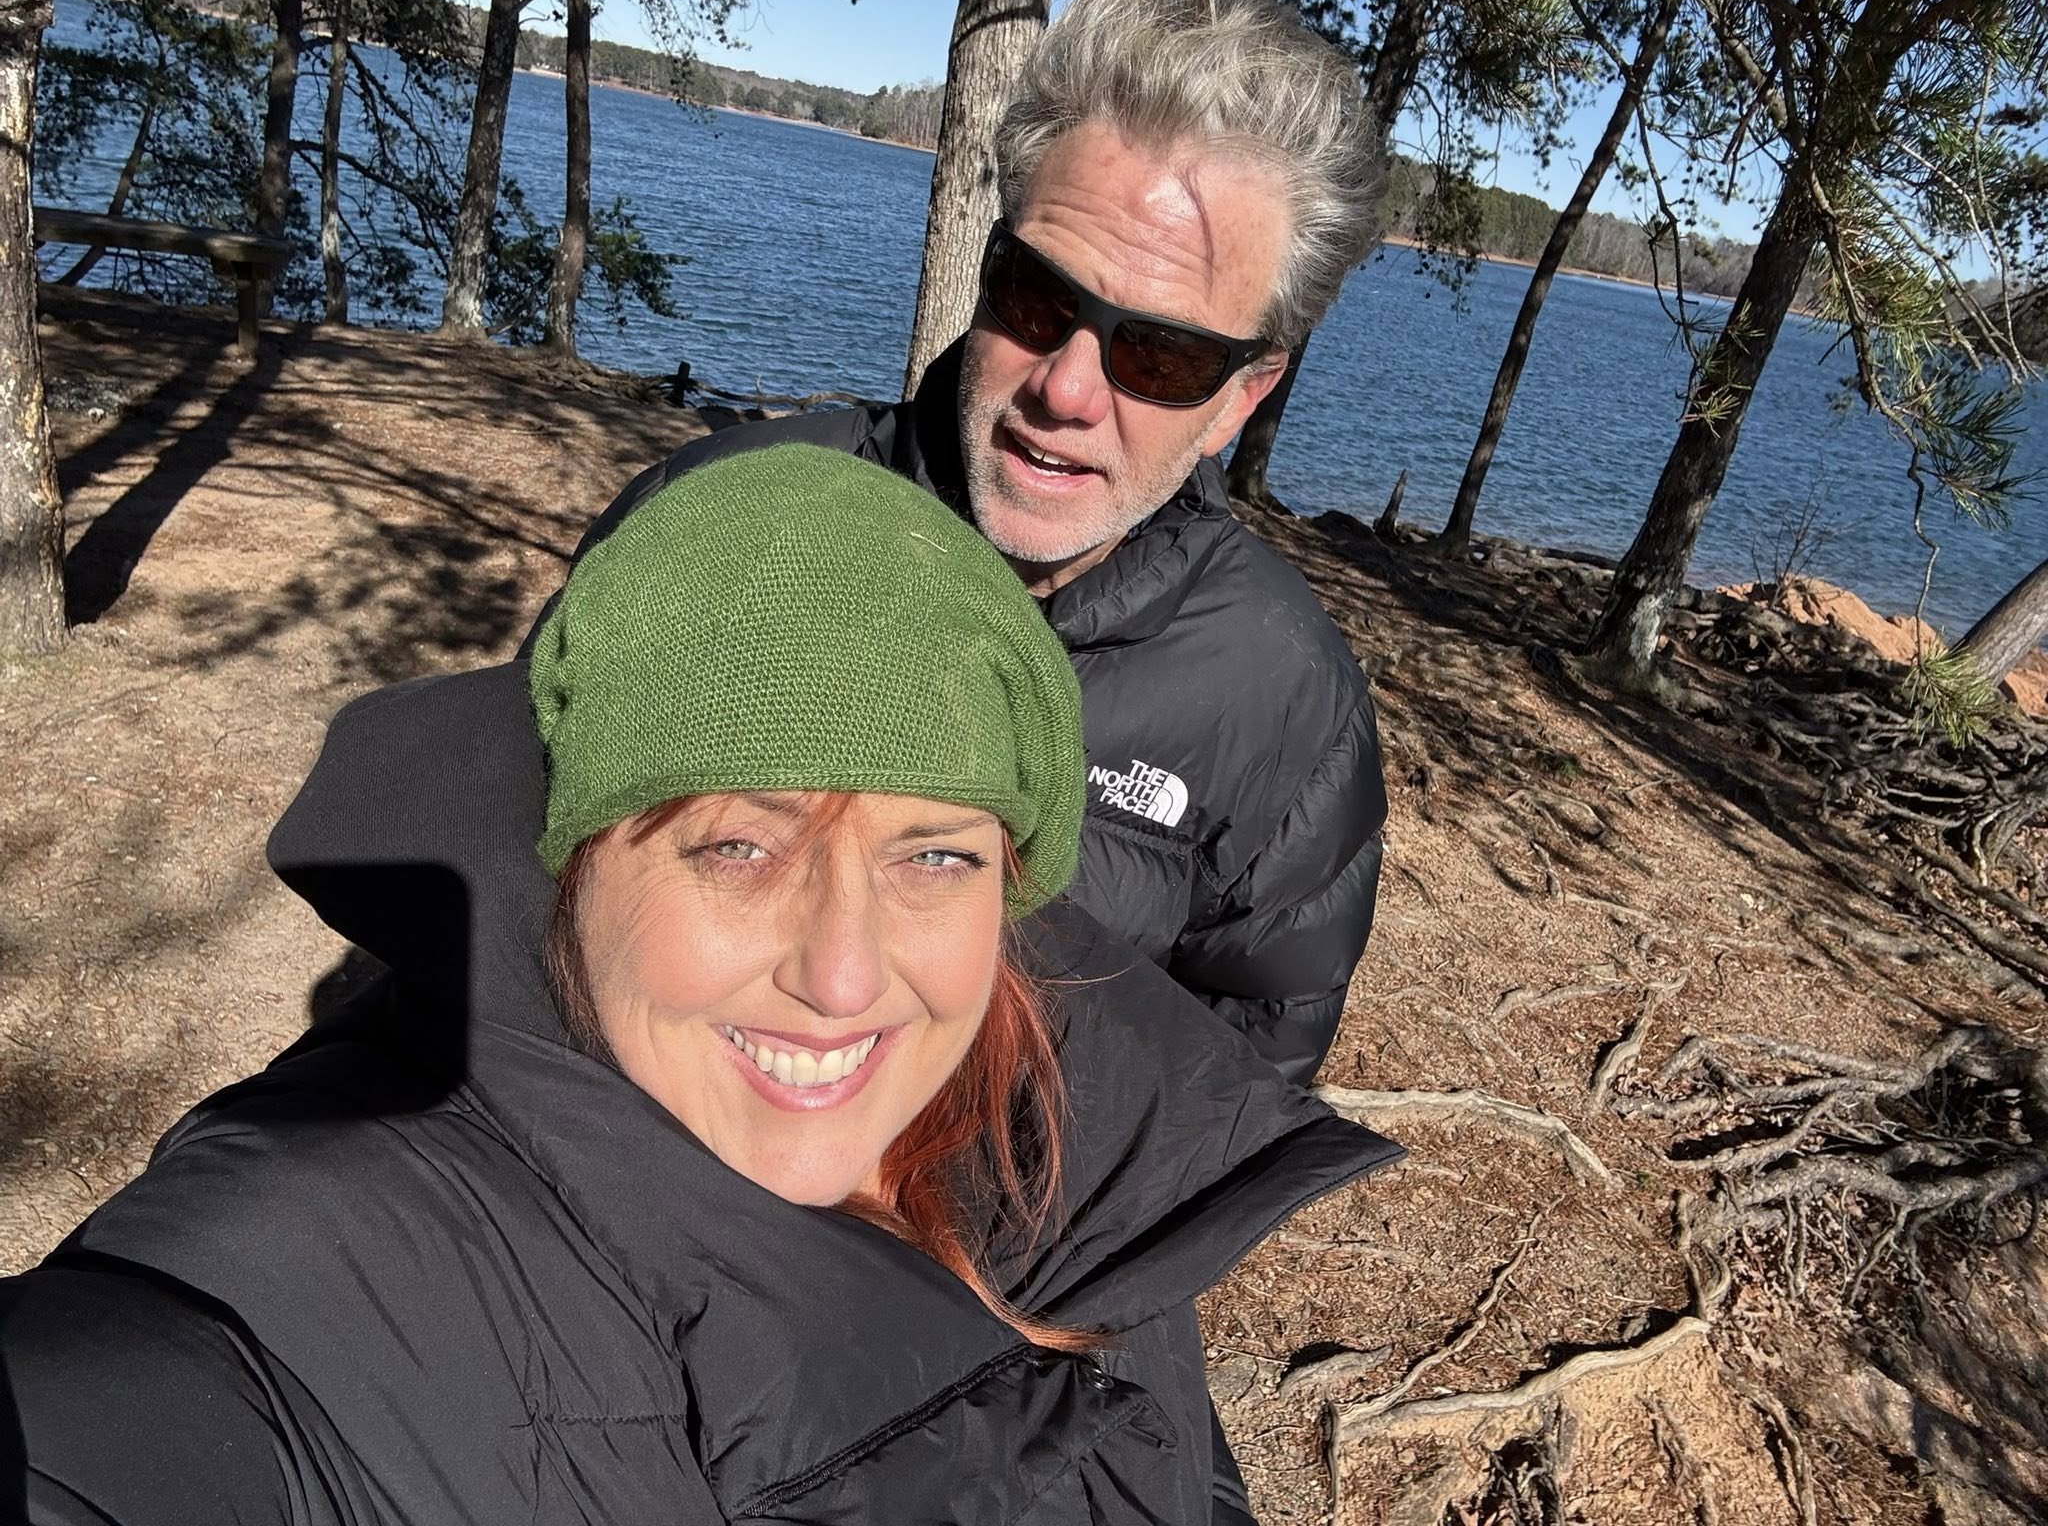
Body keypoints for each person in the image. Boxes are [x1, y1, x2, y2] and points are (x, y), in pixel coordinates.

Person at [0, 449, 1401, 1525]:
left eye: (933, 855)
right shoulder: (296, 1280)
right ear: (578, 857)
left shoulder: (1072, 1160)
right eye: (740, 846)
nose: (842, 974)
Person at [292, 0, 1390, 1086]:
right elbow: (512, 906)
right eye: (1035, 296)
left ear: (1242, 397)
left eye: (1159, 356)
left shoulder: (1282, 702)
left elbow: (1234, 1078)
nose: (1064, 389)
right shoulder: (715, 523)